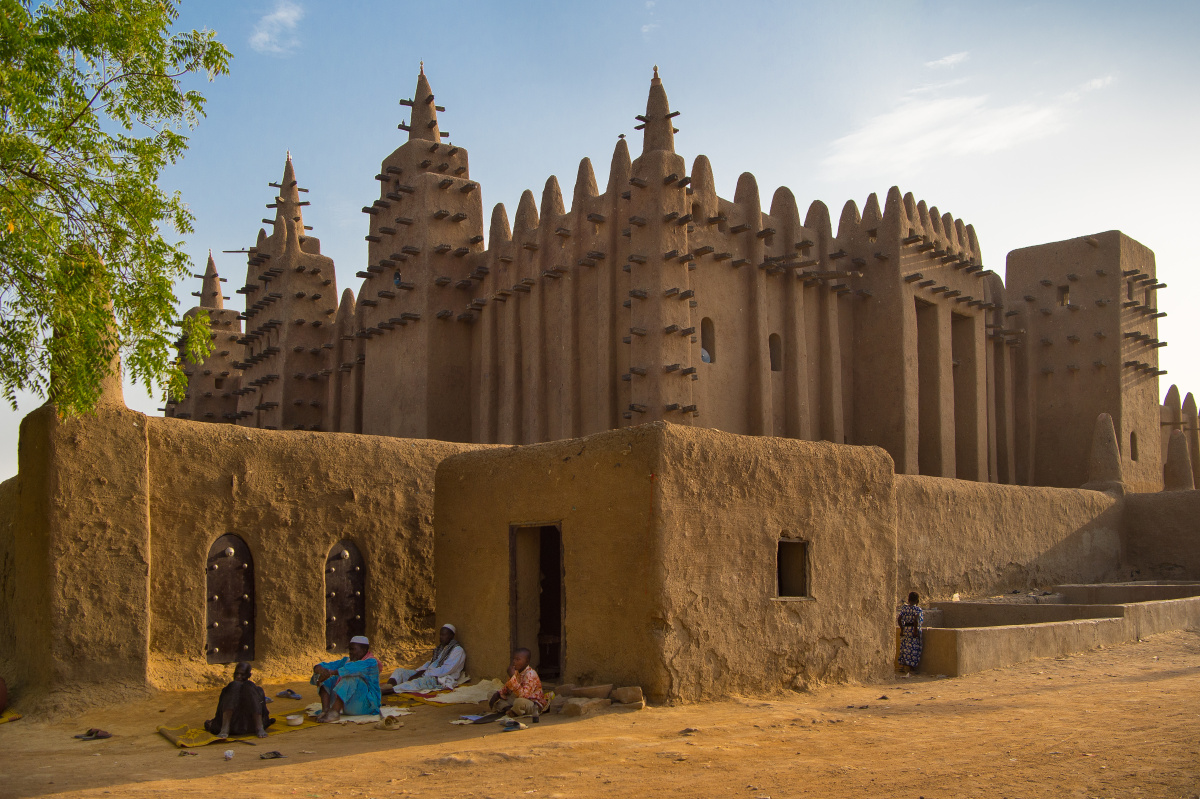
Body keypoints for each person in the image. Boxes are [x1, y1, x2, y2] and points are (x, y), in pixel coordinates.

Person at [311, 635, 381, 722]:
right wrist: (320, 670)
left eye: (353, 649)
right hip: (347, 706)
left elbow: (351, 669)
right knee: (327, 678)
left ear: (364, 650)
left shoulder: (371, 662)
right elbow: (324, 666)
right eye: (350, 649)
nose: (350, 652)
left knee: (350, 677)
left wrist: (330, 672)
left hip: (365, 706)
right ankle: (325, 711)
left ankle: (334, 712)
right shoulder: (346, 661)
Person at [383, 623, 466, 695]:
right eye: (440, 635)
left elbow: (446, 670)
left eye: (444, 635)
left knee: (417, 682)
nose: (441, 637)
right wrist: (418, 671)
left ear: (451, 636)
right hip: (427, 673)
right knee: (399, 671)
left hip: (439, 678)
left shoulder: (458, 651)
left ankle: (389, 691)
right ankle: (389, 685)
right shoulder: (442, 648)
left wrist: (423, 674)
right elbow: (431, 663)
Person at [203, 661, 274, 739]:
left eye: (242, 674)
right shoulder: (228, 690)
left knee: (249, 685)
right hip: (232, 726)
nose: (238, 677)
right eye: (236, 674)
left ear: (249, 675)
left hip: (250, 726)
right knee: (234, 685)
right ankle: (225, 728)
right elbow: (219, 712)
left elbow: (264, 712)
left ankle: (259, 727)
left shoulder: (256, 690)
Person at [488, 647, 548, 719]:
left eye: (518, 659)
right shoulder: (516, 672)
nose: (514, 662)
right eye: (513, 659)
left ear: (527, 661)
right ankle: (509, 709)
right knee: (491, 694)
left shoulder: (531, 674)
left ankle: (512, 710)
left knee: (519, 702)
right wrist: (499, 693)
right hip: (517, 699)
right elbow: (508, 689)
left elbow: (524, 696)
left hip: (532, 704)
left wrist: (512, 677)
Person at [897, 591, 924, 675]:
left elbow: (899, 618)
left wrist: (902, 629)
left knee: (905, 647)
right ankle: (912, 667)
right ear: (917, 601)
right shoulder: (917, 609)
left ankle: (903, 666)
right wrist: (915, 631)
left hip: (906, 629)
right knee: (914, 649)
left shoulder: (904, 608)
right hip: (913, 629)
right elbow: (916, 620)